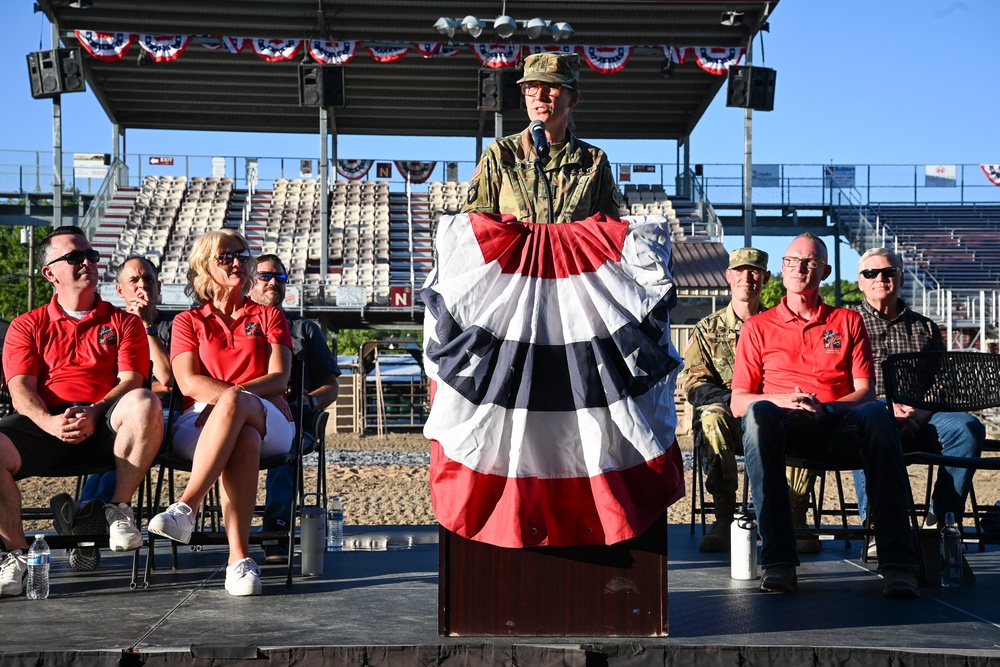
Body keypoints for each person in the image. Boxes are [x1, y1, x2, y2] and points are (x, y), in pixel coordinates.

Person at [730, 233, 921, 598]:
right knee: (757, 415)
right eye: (791, 261)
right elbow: (738, 401)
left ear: (826, 271)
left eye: (810, 262)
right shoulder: (757, 327)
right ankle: (778, 562)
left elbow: (866, 391)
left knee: (878, 415)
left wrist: (827, 408)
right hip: (781, 426)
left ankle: (898, 564)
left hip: (837, 424)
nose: (799, 268)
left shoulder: (847, 321)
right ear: (781, 270)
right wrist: (783, 400)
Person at [0, 226, 162, 598]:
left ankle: (119, 509)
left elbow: (132, 379)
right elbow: (21, 390)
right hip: (45, 421)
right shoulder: (27, 325)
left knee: (145, 401)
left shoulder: (124, 322)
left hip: (106, 420)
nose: (88, 262)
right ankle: (17, 555)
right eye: (75, 257)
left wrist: (95, 410)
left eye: (91, 255)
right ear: (50, 273)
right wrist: (50, 422)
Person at [147, 230, 295, 597]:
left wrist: (230, 399)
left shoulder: (269, 315)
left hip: (268, 416)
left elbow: (279, 377)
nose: (237, 263)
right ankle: (239, 561)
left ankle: (187, 506)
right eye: (226, 257)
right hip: (200, 419)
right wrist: (226, 403)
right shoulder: (187, 321)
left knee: (236, 408)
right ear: (204, 267)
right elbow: (187, 381)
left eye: (243, 256)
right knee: (241, 437)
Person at [682, 248, 819, 554]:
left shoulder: (782, 324)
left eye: (755, 271)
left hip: (776, 413)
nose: (747, 277)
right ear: (728, 276)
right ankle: (724, 517)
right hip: (729, 415)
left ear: (766, 278)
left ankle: (795, 514)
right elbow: (695, 386)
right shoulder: (707, 329)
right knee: (711, 417)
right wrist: (741, 400)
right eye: (740, 271)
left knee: (803, 412)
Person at [50, 255, 176, 572]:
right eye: (134, 280)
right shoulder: (109, 325)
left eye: (148, 279)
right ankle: (90, 522)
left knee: (137, 423)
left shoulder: (177, 326)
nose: (142, 286)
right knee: (117, 434)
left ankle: (84, 518)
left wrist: (144, 328)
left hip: (168, 416)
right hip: (116, 416)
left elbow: (169, 382)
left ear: (159, 287)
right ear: (120, 290)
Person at [852, 247, 984, 548]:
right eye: (871, 273)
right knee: (868, 423)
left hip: (921, 416)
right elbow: (837, 381)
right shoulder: (846, 323)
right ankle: (876, 525)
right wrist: (884, 408)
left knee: (968, 428)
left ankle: (940, 522)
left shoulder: (924, 326)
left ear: (900, 279)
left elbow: (942, 382)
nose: (880, 278)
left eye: (889, 272)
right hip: (870, 411)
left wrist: (917, 413)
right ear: (860, 282)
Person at [249, 254, 340, 565]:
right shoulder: (235, 329)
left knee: (285, 442)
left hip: (294, 419)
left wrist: (310, 401)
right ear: (250, 281)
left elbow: (332, 386)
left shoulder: (305, 330)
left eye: (281, 278)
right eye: (265, 276)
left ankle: (276, 528)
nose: (274, 282)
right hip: (244, 417)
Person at [462, 51, 622, 224]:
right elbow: (475, 226)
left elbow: (608, 233)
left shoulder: (593, 161)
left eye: (551, 86)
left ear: (573, 98)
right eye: (531, 87)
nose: (539, 96)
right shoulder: (500, 154)